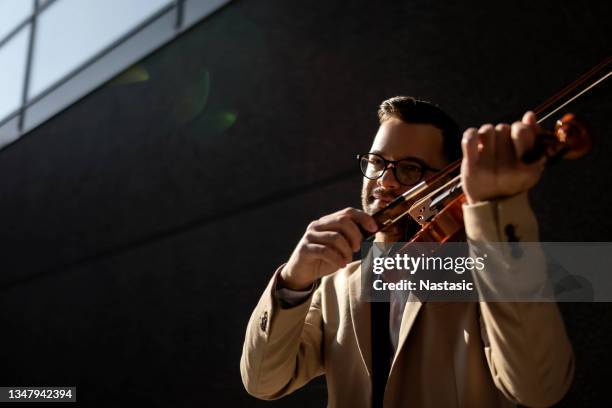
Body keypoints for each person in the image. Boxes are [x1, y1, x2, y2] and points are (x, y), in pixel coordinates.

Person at [240, 96, 574, 407]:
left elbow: (538, 388)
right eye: (377, 163)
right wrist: (293, 279)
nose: (385, 181)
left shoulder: (486, 273)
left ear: (450, 178)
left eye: (410, 169)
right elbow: (263, 381)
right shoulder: (335, 286)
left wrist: (498, 210)